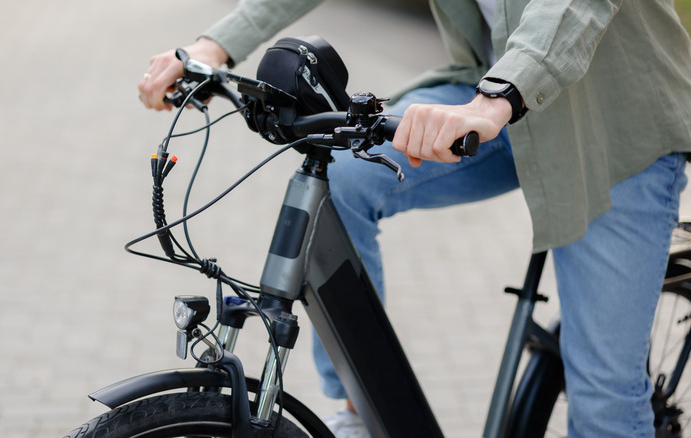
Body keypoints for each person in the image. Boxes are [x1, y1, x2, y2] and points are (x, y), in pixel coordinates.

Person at [138, 0, 691, 436]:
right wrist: (214, 47)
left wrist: (493, 100)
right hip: (490, 94)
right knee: (346, 172)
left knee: (603, 402)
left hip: (612, 128)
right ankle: (361, 411)